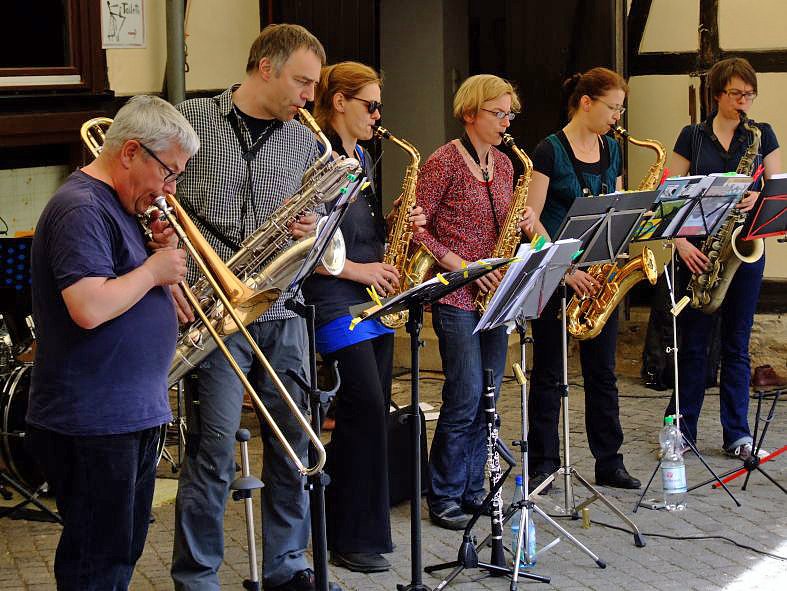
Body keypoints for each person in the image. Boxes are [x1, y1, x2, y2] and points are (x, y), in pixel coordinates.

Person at [170, 24, 339, 591]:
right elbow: (157, 204)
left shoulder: (308, 143)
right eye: (302, 82)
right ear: (266, 67)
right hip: (215, 315)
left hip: (283, 310)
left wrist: (313, 229)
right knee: (213, 451)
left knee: (293, 447)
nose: (310, 97)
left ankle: (287, 566)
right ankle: (197, 577)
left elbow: (324, 233)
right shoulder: (191, 121)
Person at [26, 95, 198, 589]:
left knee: (117, 555)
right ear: (130, 152)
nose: (169, 189)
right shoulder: (81, 207)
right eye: (167, 172)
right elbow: (89, 306)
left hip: (127, 414)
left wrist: (161, 258)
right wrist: (153, 270)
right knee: (95, 564)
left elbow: (132, 290)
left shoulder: (122, 206)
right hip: (93, 420)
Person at [304, 61, 425, 572]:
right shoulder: (317, 155)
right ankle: (347, 535)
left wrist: (397, 222)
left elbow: (358, 231)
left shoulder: (361, 156)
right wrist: (361, 270)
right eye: (370, 106)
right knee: (364, 408)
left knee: (370, 415)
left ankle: (353, 530)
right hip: (334, 300)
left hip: (371, 300)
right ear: (339, 102)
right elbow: (309, 242)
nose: (378, 115)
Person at [413, 74, 533, 530]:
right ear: (469, 114)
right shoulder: (443, 161)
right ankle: (443, 493)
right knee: (463, 394)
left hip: (494, 296)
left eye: (509, 114)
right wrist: (460, 266)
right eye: (497, 113)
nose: (506, 122)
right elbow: (416, 228)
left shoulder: (504, 164)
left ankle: (473, 488)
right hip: (457, 293)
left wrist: (524, 222)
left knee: (489, 396)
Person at [526, 67, 641, 492]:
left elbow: (618, 206)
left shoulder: (612, 149)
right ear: (586, 102)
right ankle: (543, 463)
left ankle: (609, 461)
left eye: (621, 109)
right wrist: (565, 269)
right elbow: (530, 220)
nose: (617, 117)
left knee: (603, 373)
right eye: (613, 108)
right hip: (557, 275)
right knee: (549, 373)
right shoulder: (548, 150)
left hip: (598, 275)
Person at [665, 57, 781, 459]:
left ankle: (738, 435)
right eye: (736, 94)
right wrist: (681, 244)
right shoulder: (692, 137)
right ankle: (681, 431)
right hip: (699, 251)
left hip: (744, 249)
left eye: (749, 94)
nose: (743, 101)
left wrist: (758, 196)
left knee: (737, 345)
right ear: (717, 95)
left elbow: (777, 189)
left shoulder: (762, 135)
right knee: (693, 346)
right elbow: (670, 196)